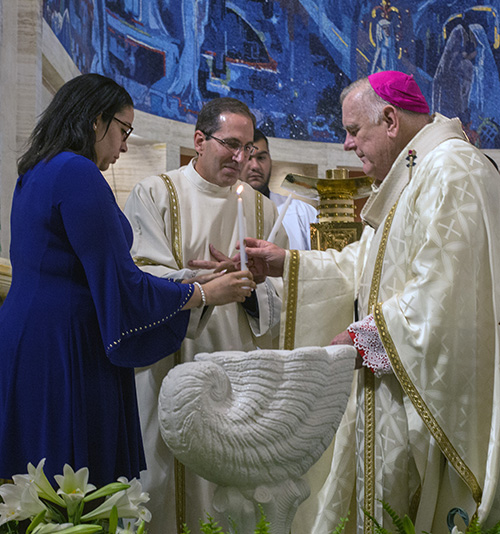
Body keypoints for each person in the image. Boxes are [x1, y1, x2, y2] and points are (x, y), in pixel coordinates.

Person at [245, 70, 500, 533]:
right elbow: (363, 265)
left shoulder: (453, 169)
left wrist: (362, 342)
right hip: (392, 388)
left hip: (425, 399)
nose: (346, 144)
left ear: (390, 119)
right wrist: (288, 263)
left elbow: (445, 296)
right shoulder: (415, 174)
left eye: (354, 130)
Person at [0, 74, 255, 487]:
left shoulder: (35, 171)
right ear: (96, 120)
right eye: (123, 130)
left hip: (26, 337)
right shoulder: (77, 172)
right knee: (72, 485)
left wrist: (189, 277)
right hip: (67, 344)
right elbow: (121, 287)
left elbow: (80, 269)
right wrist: (204, 292)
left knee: (34, 486)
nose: (123, 145)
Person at [124, 97, 288, 533]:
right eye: (231, 145)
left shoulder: (262, 208)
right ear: (199, 140)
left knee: (229, 492)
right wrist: (206, 288)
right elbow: (138, 277)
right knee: (166, 487)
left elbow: (285, 290)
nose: (242, 158)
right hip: (172, 361)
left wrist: (250, 289)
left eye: (250, 148)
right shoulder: (156, 193)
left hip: (239, 373)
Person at [241, 128, 317, 249]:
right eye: (248, 158)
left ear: (270, 160)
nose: (255, 166)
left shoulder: (300, 212)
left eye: (261, 158)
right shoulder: (226, 211)